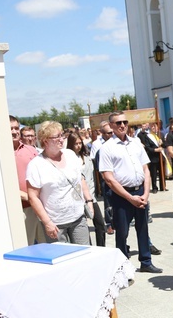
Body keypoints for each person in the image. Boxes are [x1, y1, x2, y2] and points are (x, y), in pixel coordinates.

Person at [98, 112, 162, 273]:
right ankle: (122, 266)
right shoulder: (107, 148)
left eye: (124, 122)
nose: (122, 126)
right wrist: (129, 198)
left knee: (142, 228)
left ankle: (146, 262)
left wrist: (145, 194)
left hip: (140, 191)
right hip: (122, 196)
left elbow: (146, 169)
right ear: (111, 126)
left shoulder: (136, 143)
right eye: (118, 123)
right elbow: (109, 178)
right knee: (122, 231)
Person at [26, 121, 92, 245]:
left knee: (84, 255)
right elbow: (33, 196)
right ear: (45, 140)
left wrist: (89, 201)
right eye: (57, 137)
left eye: (62, 135)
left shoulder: (71, 155)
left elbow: (80, 179)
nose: (62, 139)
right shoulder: (36, 165)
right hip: (56, 224)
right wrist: (47, 222)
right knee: (63, 259)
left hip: (78, 218)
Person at [67, 131, 106, 246]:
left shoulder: (87, 158)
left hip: (91, 197)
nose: (78, 146)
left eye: (80, 143)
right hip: (77, 198)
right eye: (75, 144)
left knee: (100, 224)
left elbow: (92, 178)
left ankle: (101, 248)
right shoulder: (68, 159)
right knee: (83, 228)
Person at [10, 116, 43, 245]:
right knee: (26, 247)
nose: (14, 131)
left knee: (47, 247)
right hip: (20, 210)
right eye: (10, 128)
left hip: (38, 207)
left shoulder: (31, 150)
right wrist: (26, 196)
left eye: (16, 128)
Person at [139, 122, 164, 193]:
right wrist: (155, 150)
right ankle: (154, 187)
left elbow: (165, 144)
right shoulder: (148, 136)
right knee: (154, 173)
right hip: (153, 157)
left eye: (155, 126)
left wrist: (162, 143)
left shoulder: (160, 134)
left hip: (161, 157)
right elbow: (147, 147)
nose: (154, 128)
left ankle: (162, 186)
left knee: (162, 172)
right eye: (152, 126)